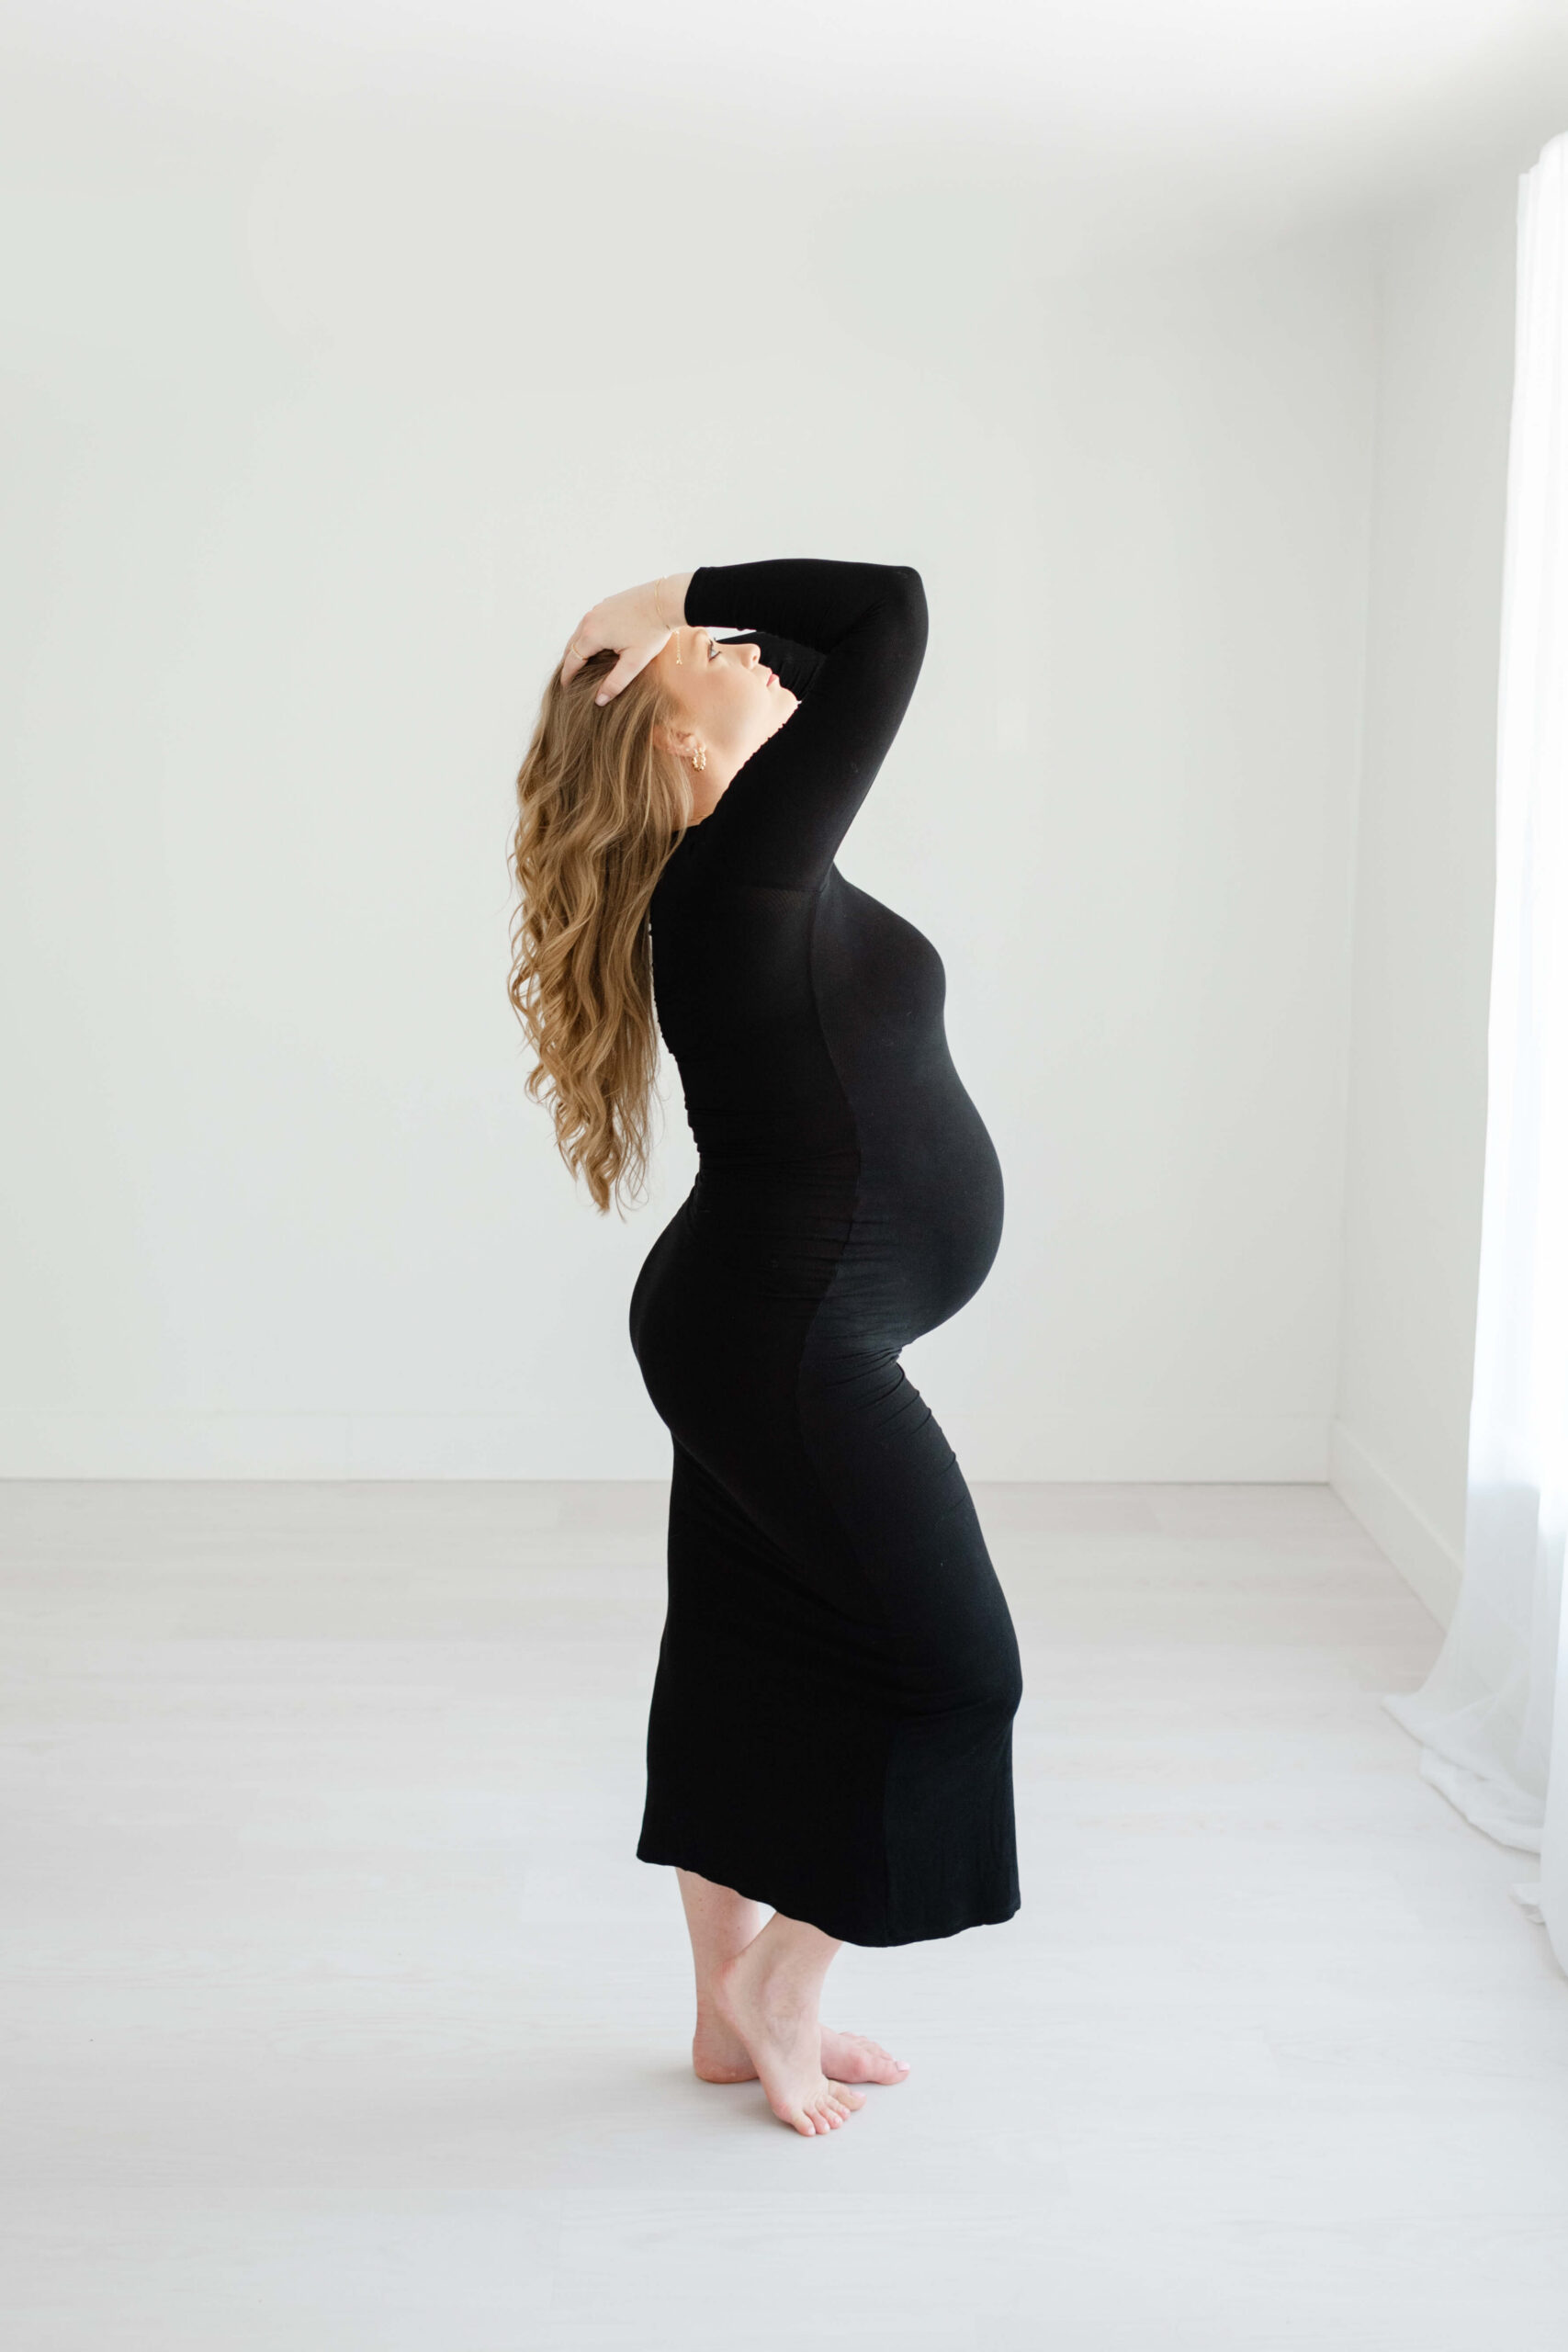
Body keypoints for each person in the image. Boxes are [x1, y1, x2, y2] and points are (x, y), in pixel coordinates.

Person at [510, 559, 1022, 2138]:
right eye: (713, 656)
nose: (747, 651)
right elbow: (888, 614)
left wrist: (670, 646)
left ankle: (720, 2018)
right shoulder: (743, 876)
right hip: (783, 1339)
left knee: (745, 1658)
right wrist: (646, 596)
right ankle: (777, 1984)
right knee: (955, 1671)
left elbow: (814, 644)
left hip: (757, 1322)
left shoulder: (744, 859)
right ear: (673, 748)